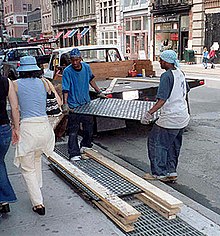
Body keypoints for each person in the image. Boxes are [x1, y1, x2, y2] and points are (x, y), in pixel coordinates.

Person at [14, 56, 56, 215]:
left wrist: (16, 129)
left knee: (27, 168)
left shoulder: (15, 85)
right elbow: (57, 102)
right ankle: (36, 188)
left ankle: (38, 203)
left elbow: (15, 108)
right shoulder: (44, 82)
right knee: (37, 158)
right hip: (44, 127)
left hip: (28, 128)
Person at [141, 50, 190, 182]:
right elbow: (184, 92)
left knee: (156, 142)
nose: (160, 62)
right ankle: (171, 171)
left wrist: (149, 113)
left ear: (167, 61)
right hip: (182, 116)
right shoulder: (180, 73)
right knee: (173, 145)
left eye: (161, 60)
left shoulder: (166, 76)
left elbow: (162, 100)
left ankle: (159, 173)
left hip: (171, 118)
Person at [62, 48, 104, 161]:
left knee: (89, 128)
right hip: (73, 106)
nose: (75, 63)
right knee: (73, 131)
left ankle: (85, 146)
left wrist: (98, 91)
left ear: (81, 59)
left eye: (76, 60)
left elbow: (91, 80)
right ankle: (74, 153)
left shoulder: (86, 67)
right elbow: (65, 89)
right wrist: (65, 104)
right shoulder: (67, 71)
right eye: (72, 60)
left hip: (86, 104)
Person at [0, 76, 20, 214]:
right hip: (3, 129)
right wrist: (16, 128)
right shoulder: (5, 81)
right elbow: (15, 107)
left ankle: (5, 197)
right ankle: (4, 199)